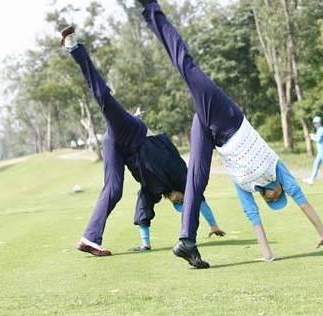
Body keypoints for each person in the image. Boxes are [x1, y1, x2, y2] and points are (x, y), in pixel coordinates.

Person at [139, 0, 323, 269]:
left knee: (195, 179)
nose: (273, 196)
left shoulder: (247, 187)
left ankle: (187, 240)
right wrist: (322, 231)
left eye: (271, 200)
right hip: (226, 116)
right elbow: (300, 197)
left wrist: (266, 252)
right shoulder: (276, 170)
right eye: (278, 196)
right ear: (281, 189)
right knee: (186, 64)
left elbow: (252, 215)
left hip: (212, 134)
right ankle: (150, 8)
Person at [60, 26, 225, 256]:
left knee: (114, 189)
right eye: (181, 201)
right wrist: (213, 223)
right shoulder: (181, 175)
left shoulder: (154, 191)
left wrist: (146, 243)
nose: (178, 200)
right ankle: (75, 48)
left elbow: (143, 211)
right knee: (104, 97)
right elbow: (198, 197)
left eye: (176, 203)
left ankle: (90, 238)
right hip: (132, 133)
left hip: (118, 146)